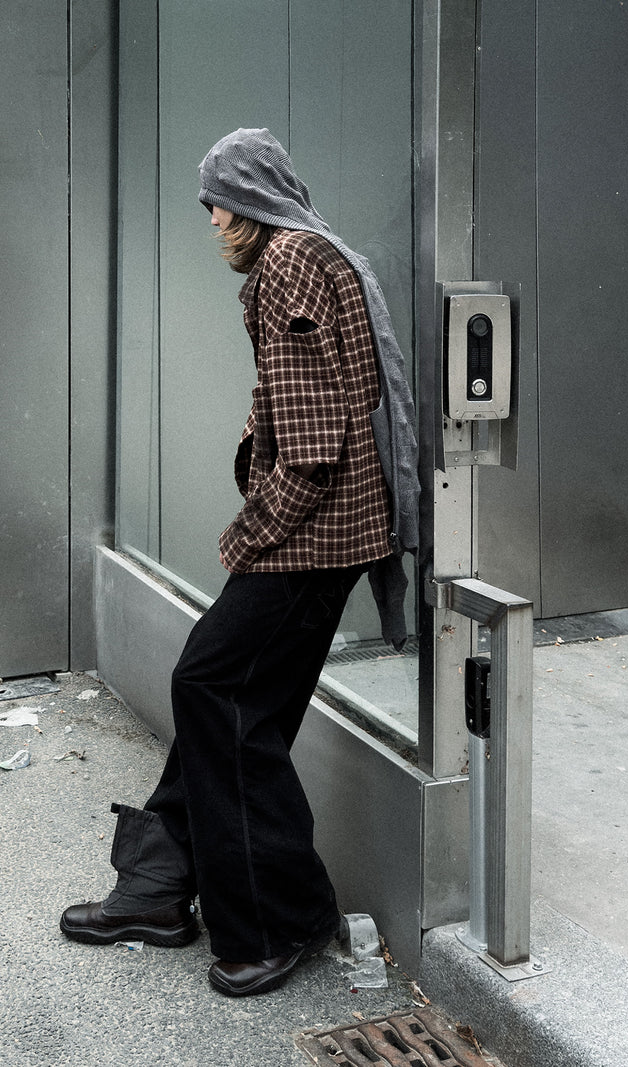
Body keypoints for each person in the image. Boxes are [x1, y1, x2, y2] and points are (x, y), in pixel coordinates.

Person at [60, 128, 419, 997]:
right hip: (326, 532)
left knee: (212, 689)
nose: (212, 218)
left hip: (312, 535)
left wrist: (252, 531)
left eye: (217, 201)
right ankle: (157, 888)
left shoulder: (289, 264)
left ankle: (281, 916)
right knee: (229, 702)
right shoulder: (311, 255)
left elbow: (312, 442)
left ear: (251, 200)